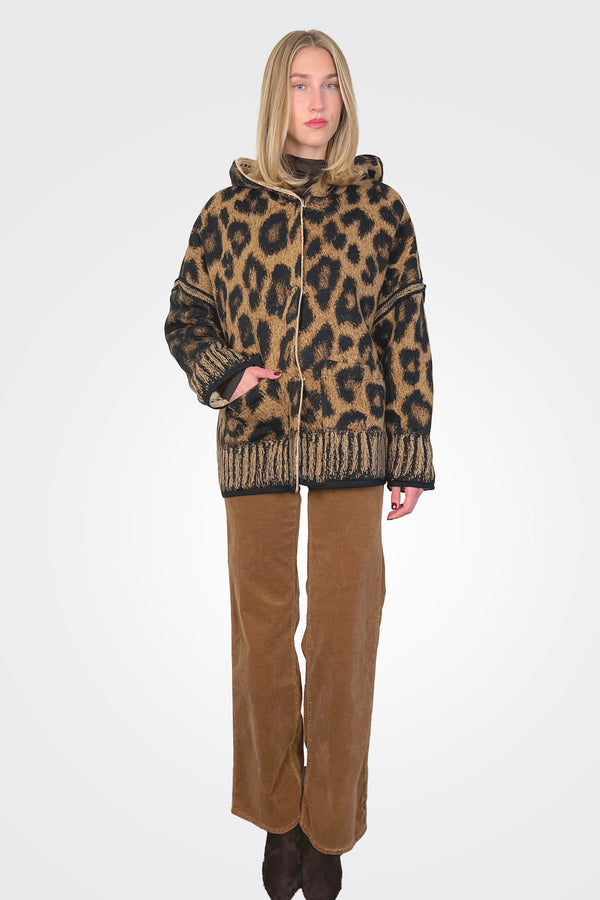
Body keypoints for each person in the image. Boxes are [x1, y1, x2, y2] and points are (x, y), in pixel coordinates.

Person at [164, 28, 435, 900]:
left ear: (345, 98)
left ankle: (329, 828)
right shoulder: (226, 211)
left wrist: (410, 448)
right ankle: (279, 816)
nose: (316, 102)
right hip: (257, 444)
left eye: (330, 85)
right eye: (299, 85)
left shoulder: (383, 210)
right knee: (263, 636)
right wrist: (227, 373)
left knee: (344, 637)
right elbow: (184, 315)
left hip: (356, 443)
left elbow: (405, 333)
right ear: (276, 98)